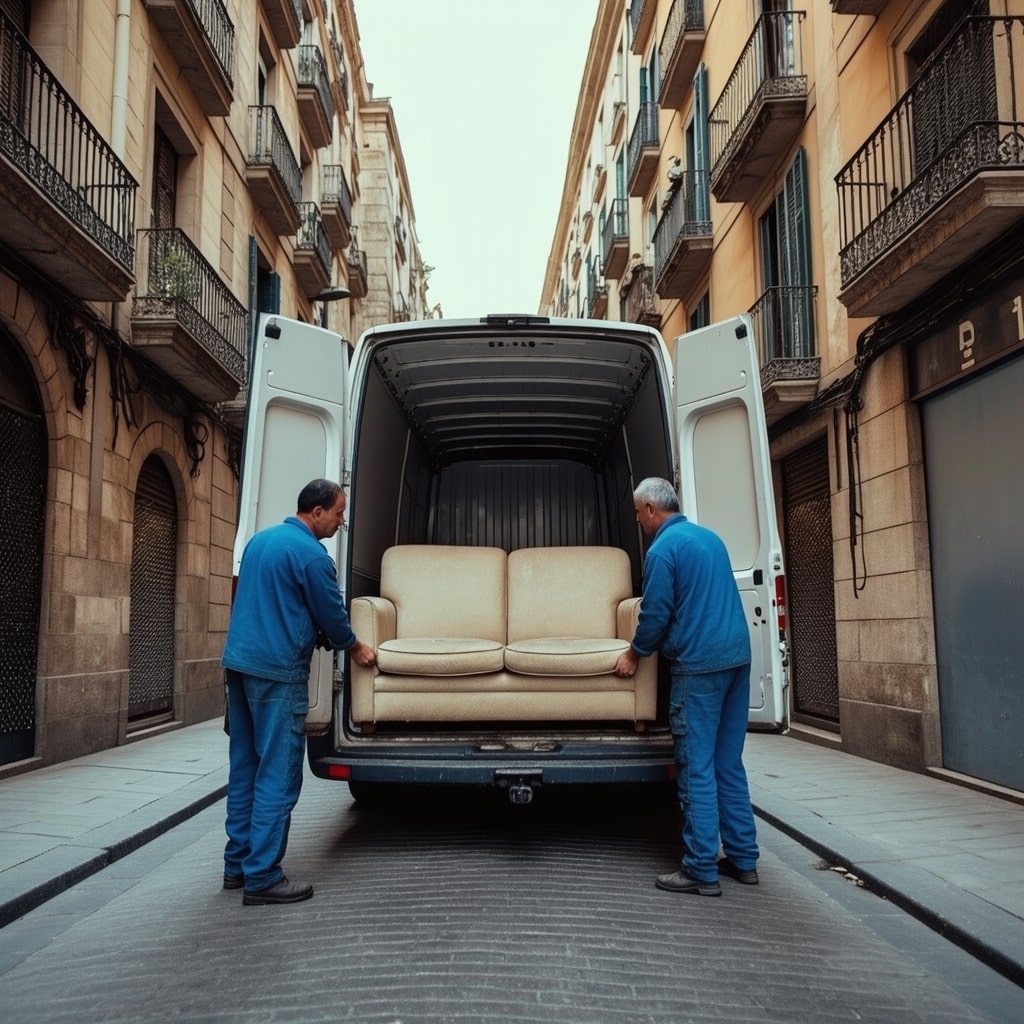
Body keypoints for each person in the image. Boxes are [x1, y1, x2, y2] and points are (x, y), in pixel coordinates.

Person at [222, 478, 376, 906]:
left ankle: (236, 866)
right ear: (318, 512)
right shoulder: (312, 556)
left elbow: (272, 602)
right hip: (276, 672)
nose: (342, 522)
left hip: (238, 664)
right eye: (340, 513)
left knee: (245, 767)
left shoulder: (258, 542)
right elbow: (332, 612)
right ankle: (263, 877)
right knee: (278, 773)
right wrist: (355, 646)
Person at [614, 477, 758, 897]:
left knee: (695, 767)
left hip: (699, 667)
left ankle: (700, 869)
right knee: (727, 763)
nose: (638, 520)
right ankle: (744, 859)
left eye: (638, 512)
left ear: (651, 510)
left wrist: (634, 654)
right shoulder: (710, 538)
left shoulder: (662, 550)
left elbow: (655, 613)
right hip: (737, 658)